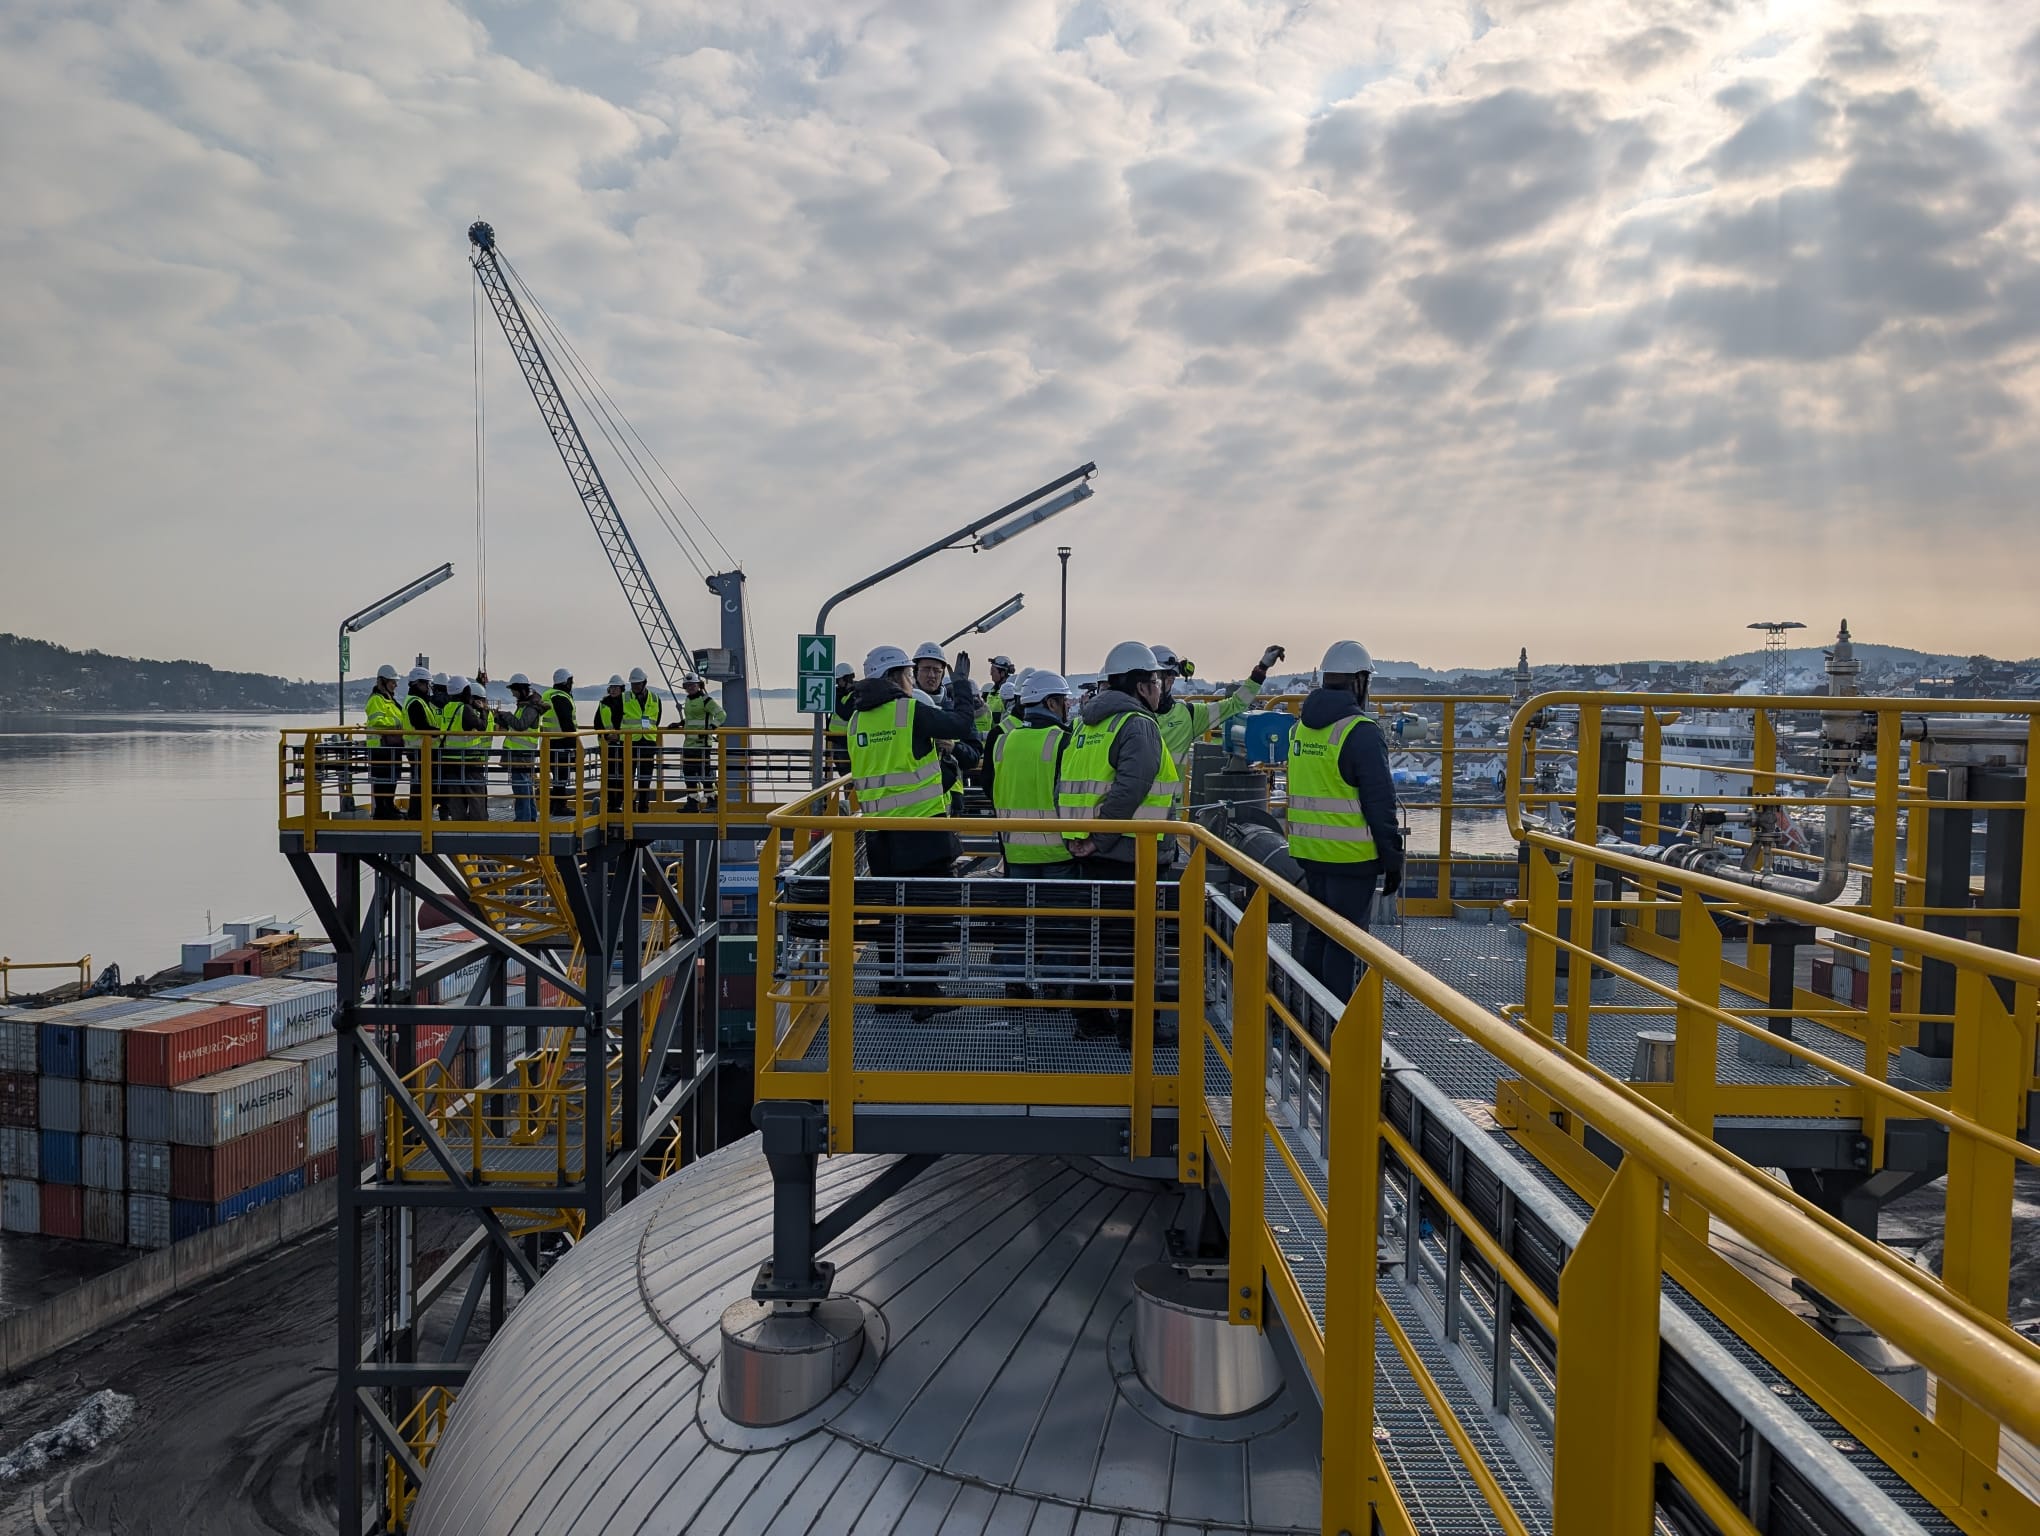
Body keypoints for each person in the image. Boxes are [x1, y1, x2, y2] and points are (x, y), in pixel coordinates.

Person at [842, 644, 978, 1016]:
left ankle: (890, 991)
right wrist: (961, 685)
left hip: (879, 837)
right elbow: (963, 727)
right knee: (931, 914)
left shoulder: (856, 721)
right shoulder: (908, 710)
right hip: (922, 832)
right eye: (907, 673)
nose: (910, 679)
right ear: (897, 677)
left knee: (892, 913)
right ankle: (923, 993)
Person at [1057, 642, 1181, 1043]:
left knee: (1096, 937)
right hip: (1132, 852)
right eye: (1157, 681)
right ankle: (1137, 1028)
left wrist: (1082, 839)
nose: (1162, 689)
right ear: (1142, 686)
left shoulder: (1086, 723)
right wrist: (1101, 838)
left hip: (1091, 850)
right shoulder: (1138, 724)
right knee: (1140, 943)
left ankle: (1091, 1019)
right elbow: (1131, 788)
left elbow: (1070, 785)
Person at [1287, 640, 1405, 1003]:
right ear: (1359, 681)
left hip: (1308, 854)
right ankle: (1334, 1033)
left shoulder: (1300, 730)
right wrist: (1393, 859)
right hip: (1351, 859)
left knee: (1318, 936)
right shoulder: (1361, 732)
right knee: (1344, 944)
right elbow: (1380, 804)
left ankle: (1306, 1023)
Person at [1149, 643, 1286, 773]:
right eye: (1160, 678)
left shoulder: (1188, 715)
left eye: (1171, 677)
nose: (1168, 682)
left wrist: (1262, 668)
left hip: (1168, 798)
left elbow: (1235, 704)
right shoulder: (1133, 715)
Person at [363, 664, 406, 820]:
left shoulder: (390, 700)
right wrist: (397, 723)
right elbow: (377, 721)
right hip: (381, 747)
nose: (395, 685)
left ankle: (389, 805)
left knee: (392, 778)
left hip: (392, 746)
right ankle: (382, 809)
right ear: (383, 682)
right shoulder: (376, 700)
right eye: (392, 682)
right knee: (383, 780)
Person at [679, 674, 727, 807]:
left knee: (704, 773)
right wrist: (680, 723)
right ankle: (692, 801)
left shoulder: (706, 700)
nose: (690, 688)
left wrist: (711, 727)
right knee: (688, 773)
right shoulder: (688, 700)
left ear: (699, 685)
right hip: (689, 743)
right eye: (688, 686)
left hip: (702, 744)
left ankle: (712, 800)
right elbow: (692, 719)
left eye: (693, 685)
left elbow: (721, 714)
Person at [501, 674, 542, 823]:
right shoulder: (526, 705)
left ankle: (523, 818)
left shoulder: (530, 708)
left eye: (514, 690)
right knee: (525, 785)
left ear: (521, 689)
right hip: (520, 753)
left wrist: (506, 715)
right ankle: (530, 816)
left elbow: (520, 725)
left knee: (521, 786)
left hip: (522, 753)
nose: (512, 693)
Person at [402, 666, 438, 819]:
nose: (428, 688)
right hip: (418, 750)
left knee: (420, 784)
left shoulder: (417, 701)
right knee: (420, 785)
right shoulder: (416, 703)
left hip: (418, 750)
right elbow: (421, 726)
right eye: (426, 684)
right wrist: (439, 732)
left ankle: (419, 815)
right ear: (418, 683)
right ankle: (417, 816)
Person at [542, 668, 577, 816]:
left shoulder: (548, 695)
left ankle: (553, 805)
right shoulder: (561, 697)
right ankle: (560, 806)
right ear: (567, 682)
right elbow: (566, 723)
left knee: (556, 776)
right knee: (561, 776)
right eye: (571, 681)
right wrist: (575, 745)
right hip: (561, 742)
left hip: (548, 742)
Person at [593, 675, 627, 814]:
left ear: (621, 689)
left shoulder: (627, 703)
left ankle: (619, 802)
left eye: (616, 688)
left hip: (624, 744)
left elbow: (631, 722)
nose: (613, 690)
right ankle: (610, 803)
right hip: (608, 746)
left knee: (622, 775)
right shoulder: (603, 704)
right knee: (609, 776)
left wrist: (620, 735)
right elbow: (597, 724)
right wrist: (608, 736)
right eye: (611, 688)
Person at [825, 661, 855, 781]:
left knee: (848, 775)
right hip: (835, 740)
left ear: (846, 679)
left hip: (846, 741)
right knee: (843, 775)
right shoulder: (840, 694)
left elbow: (845, 713)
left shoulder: (855, 694)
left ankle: (851, 799)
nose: (837, 683)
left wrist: (834, 698)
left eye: (839, 680)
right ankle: (848, 798)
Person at [976, 654, 1017, 733]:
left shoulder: (1010, 693)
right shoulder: (992, 692)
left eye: (993, 671)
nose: (990, 674)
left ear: (1002, 673)